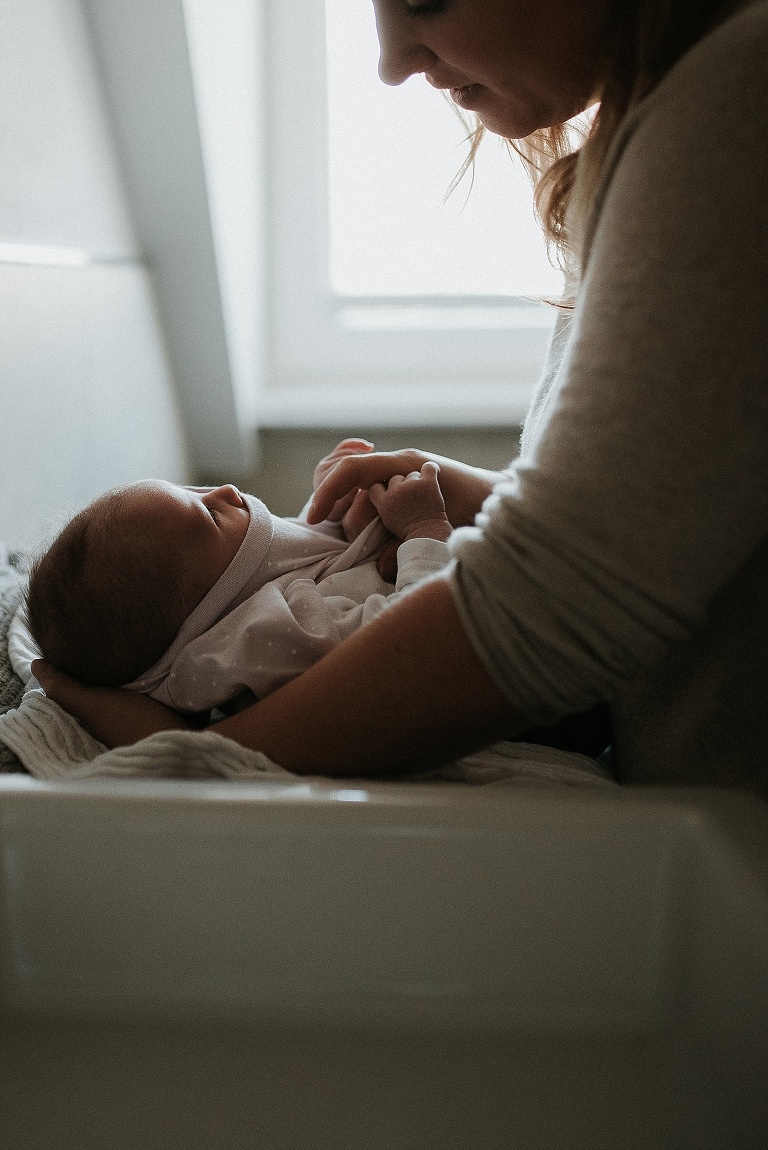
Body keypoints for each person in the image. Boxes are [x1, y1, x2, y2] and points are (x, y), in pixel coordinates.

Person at [35, 0, 768, 795]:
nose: (390, 62)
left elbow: (561, 606)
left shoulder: (736, 101)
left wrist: (203, 757)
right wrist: (483, 503)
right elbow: (686, 535)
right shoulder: (679, 114)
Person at [25, 446, 452, 712]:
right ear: (203, 610)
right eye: (209, 515)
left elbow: (302, 561)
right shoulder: (261, 637)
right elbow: (413, 646)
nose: (226, 490)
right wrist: (425, 531)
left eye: (193, 489)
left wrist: (330, 510)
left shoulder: (246, 586)